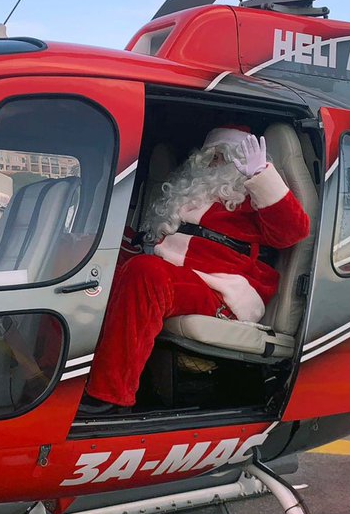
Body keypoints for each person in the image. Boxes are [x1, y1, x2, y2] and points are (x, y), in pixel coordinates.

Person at [80, 126, 310, 415]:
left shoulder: (250, 199)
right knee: (96, 272)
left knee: (146, 274)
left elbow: (294, 231)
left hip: (222, 288)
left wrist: (260, 176)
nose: (214, 165)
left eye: (223, 158)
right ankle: (65, 375)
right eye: (210, 157)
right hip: (177, 274)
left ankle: (111, 395)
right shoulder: (186, 195)